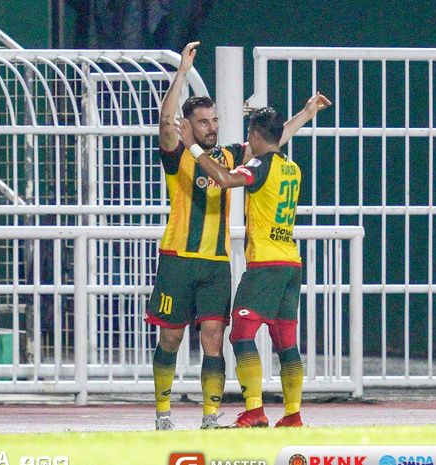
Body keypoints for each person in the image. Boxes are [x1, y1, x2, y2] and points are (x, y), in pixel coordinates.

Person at [145, 40, 330, 430]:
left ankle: (211, 417)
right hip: (177, 259)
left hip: (215, 265)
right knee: (171, 341)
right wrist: (181, 74)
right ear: (188, 126)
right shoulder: (177, 152)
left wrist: (306, 113)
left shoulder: (229, 156)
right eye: (203, 121)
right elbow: (165, 124)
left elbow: (272, 140)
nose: (211, 126)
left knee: (214, 339)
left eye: (214, 120)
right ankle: (162, 414)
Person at [176, 100, 331, 428]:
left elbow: (224, 178)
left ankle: (255, 409)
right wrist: (305, 114)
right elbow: (277, 141)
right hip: (291, 263)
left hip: (266, 264)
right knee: (286, 341)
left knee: (241, 335)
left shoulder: (259, 166)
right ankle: (292, 414)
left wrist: (191, 145)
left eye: (250, 133)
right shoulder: (291, 167)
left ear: (256, 135)